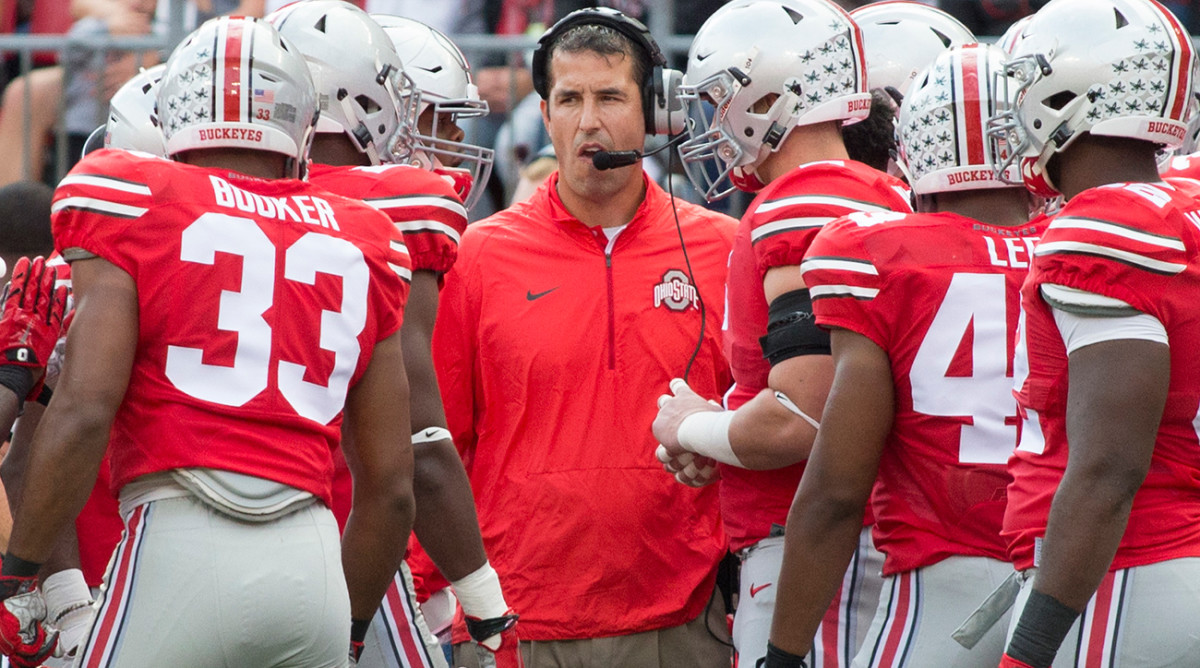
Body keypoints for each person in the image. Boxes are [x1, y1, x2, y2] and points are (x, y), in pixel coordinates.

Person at [0, 15, 417, 668]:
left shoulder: (136, 200)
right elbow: (391, 491)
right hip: (310, 564)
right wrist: (350, 631)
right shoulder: (366, 237)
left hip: (179, 541)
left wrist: (20, 574)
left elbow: (83, 412)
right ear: (301, 123)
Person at [433, 7, 735, 667]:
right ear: (545, 116)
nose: (588, 121)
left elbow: (766, 423)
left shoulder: (723, 249)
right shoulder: (477, 256)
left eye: (610, 97)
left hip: (682, 619)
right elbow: (439, 442)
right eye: (569, 99)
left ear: (653, 113)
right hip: (515, 624)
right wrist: (436, 601)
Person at [765, 43, 1042, 668]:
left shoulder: (878, 255)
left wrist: (781, 655)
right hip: (1085, 578)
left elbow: (836, 492)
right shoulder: (1089, 245)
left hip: (943, 586)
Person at [652, 1, 911, 665]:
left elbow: (801, 418)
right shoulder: (881, 194)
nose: (712, 121)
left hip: (823, 551)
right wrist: (725, 434)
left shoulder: (806, 203)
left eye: (718, 99)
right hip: (864, 538)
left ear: (766, 96)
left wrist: (691, 426)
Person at [267, 3, 518, 667]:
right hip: (354, 540)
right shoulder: (396, 214)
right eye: (434, 119)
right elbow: (419, 445)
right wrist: (484, 598)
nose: (451, 144)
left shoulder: (210, 200)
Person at [985, 0, 1200, 666]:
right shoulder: (1183, 207)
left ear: (1067, 92)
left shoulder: (1104, 228)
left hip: (1123, 575)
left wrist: (1028, 650)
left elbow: (1109, 468)